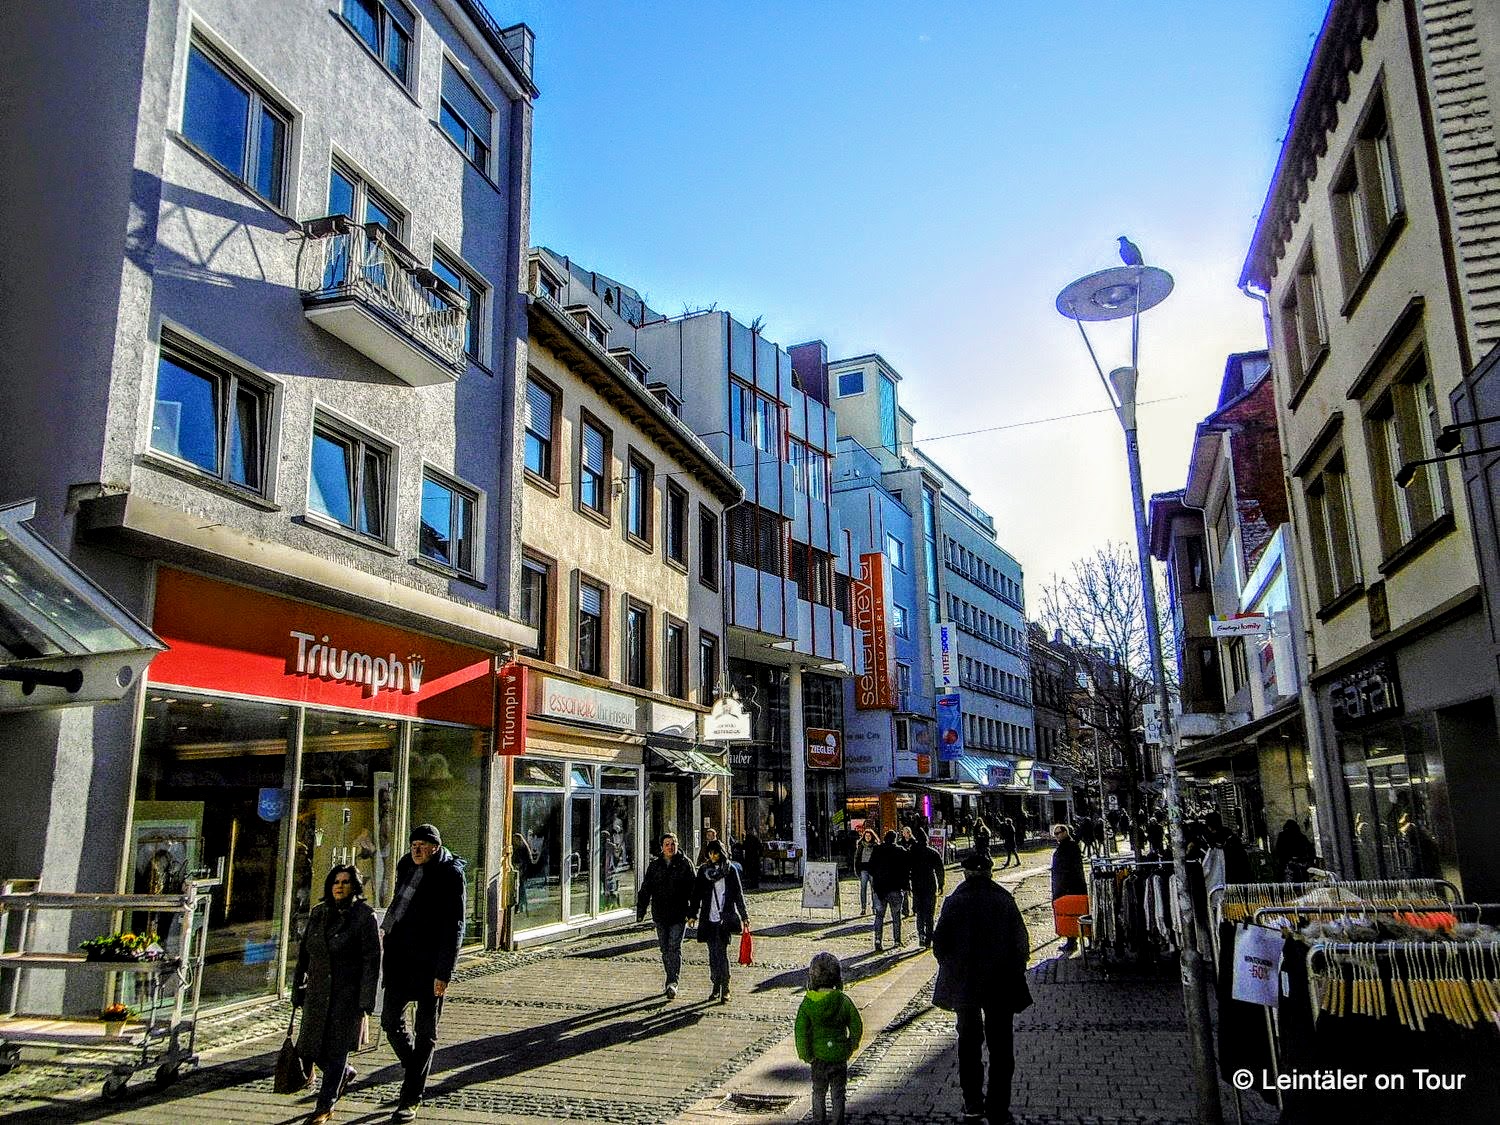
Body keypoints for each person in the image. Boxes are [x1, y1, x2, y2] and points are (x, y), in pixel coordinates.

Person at [932, 852, 1031, 1125]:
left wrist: (953, 966)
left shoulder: (954, 902)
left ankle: (973, 1103)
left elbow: (939, 945)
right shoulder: (1004, 900)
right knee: (1001, 1047)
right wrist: (1015, 969)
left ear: (965, 874)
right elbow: (1021, 943)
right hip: (1000, 985)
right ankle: (998, 1107)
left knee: (968, 1044)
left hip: (965, 987)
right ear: (989, 873)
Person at [381, 824, 466, 1123]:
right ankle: (414, 1068)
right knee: (389, 1021)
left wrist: (444, 972)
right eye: (413, 844)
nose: (416, 849)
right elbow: (398, 905)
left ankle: (411, 1097)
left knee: (426, 1033)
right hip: (400, 961)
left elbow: (455, 926)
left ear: (435, 847)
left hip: (431, 965)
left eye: (422, 845)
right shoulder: (406, 864)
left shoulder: (450, 873)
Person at [292, 865, 380, 1124]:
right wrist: (297, 988)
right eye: (335, 882)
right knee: (308, 1049)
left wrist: (366, 1000)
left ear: (354, 886)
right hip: (317, 992)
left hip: (346, 995)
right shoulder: (318, 913)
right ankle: (344, 1073)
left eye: (345, 882)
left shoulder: (364, 916)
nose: (339, 886)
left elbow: (371, 961)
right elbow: (304, 955)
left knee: (337, 1050)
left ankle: (324, 1106)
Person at [795, 951, 864, 1125]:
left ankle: (819, 1120)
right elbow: (856, 1025)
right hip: (839, 1056)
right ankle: (837, 1121)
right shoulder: (843, 1001)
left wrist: (806, 1054)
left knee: (818, 1092)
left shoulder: (808, 1004)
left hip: (818, 1057)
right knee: (838, 1093)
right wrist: (851, 1045)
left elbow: (800, 1033)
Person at [637, 832, 696, 999]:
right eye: (667, 844)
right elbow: (646, 888)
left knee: (674, 947)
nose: (670, 847)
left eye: (673, 844)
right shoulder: (655, 866)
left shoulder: (685, 864)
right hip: (660, 914)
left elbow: (694, 890)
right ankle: (670, 978)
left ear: (677, 845)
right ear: (662, 847)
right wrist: (641, 910)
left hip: (679, 914)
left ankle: (672, 982)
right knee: (664, 949)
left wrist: (693, 913)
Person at [691, 838, 749, 1002]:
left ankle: (725, 987)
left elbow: (738, 894)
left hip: (724, 919)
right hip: (709, 918)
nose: (712, 856)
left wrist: (744, 916)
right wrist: (692, 914)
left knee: (721, 953)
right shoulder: (704, 871)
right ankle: (715, 985)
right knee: (712, 955)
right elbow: (696, 894)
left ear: (721, 853)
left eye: (715, 853)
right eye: (710, 853)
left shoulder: (730, 870)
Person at [867, 830, 910, 951]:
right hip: (895, 888)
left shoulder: (877, 850)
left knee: (879, 916)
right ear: (895, 839)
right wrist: (906, 886)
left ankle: (878, 940)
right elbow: (906, 870)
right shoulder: (900, 851)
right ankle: (897, 940)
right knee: (896, 916)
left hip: (880, 889)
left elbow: (870, 868)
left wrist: (877, 878)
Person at [1050, 824, 1087, 955]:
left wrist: (1063, 887)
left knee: (1073, 914)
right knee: (1070, 915)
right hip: (1067, 887)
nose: (1056, 836)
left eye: (1058, 833)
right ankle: (1072, 941)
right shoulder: (1066, 846)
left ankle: (1073, 942)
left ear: (1065, 832)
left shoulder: (1070, 846)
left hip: (1070, 888)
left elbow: (1070, 869)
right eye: (1055, 834)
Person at [907, 828, 946, 948]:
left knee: (919, 912)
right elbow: (940, 870)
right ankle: (929, 937)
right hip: (930, 884)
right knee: (929, 913)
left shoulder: (911, 852)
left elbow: (906, 870)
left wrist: (907, 885)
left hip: (916, 885)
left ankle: (921, 935)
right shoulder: (932, 852)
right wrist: (941, 884)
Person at [1272, 819, 1316, 883]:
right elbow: (1310, 849)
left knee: (1290, 883)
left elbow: (1278, 850)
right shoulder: (1301, 836)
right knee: (1300, 882)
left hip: (1289, 863)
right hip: (1298, 863)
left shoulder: (1283, 835)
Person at [853, 828, 878, 914]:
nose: (867, 837)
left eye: (869, 836)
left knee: (874, 890)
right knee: (863, 889)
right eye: (866, 836)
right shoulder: (861, 846)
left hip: (872, 870)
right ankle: (863, 908)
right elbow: (856, 858)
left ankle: (874, 908)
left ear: (872, 836)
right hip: (863, 870)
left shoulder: (875, 846)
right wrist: (857, 871)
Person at [510, 831, 533, 914]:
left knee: (520, 888)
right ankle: (522, 905)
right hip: (521, 870)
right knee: (521, 888)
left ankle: (519, 906)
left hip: (522, 871)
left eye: (515, 840)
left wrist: (519, 867)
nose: (514, 841)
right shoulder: (520, 848)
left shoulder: (522, 849)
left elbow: (525, 861)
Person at [898, 825, 917, 916]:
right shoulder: (899, 843)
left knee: (914, 890)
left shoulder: (914, 842)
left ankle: (915, 908)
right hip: (903, 869)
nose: (905, 834)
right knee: (904, 890)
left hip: (913, 868)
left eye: (907, 832)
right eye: (904, 832)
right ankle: (905, 910)